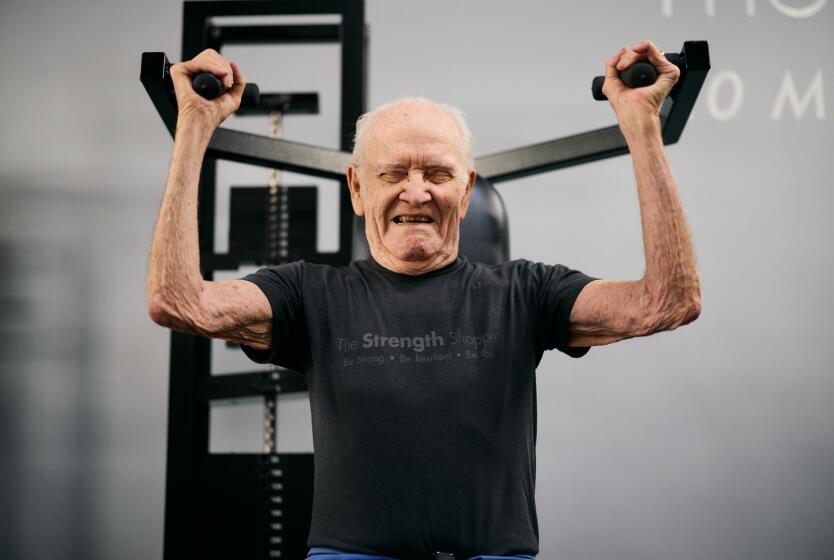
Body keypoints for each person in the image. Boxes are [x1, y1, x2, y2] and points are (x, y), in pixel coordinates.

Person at [147, 40, 701, 560]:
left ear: (465, 190)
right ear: (359, 189)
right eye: (393, 173)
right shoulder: (307, 294)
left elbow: (668, 301)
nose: (417, 190)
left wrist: (641, 126)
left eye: (439, 173)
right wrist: (194, 128)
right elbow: (178, 301)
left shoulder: (526, 293)